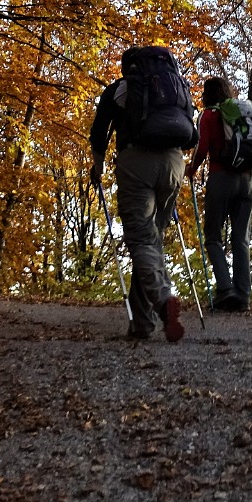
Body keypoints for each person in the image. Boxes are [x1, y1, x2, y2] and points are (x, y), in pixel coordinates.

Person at [89, 46, 197, 342]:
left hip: (137, 163)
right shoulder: (176, 87)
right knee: (152, 241)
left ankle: (163, 301)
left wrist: (97, 167)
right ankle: (142, 324)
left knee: (141, 240)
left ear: (129, 66)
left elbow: (100, 132)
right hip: (174, 163)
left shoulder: (121, 89)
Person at [185, 76, 252, 312]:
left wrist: (191, 169)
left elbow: (202, 147)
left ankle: (225, 290)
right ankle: (243, 295)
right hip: (247, 180)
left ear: (207, 95)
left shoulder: (209, 115)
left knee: (213, 236)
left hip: (221, 179)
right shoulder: (239, 113)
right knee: (240, 238)